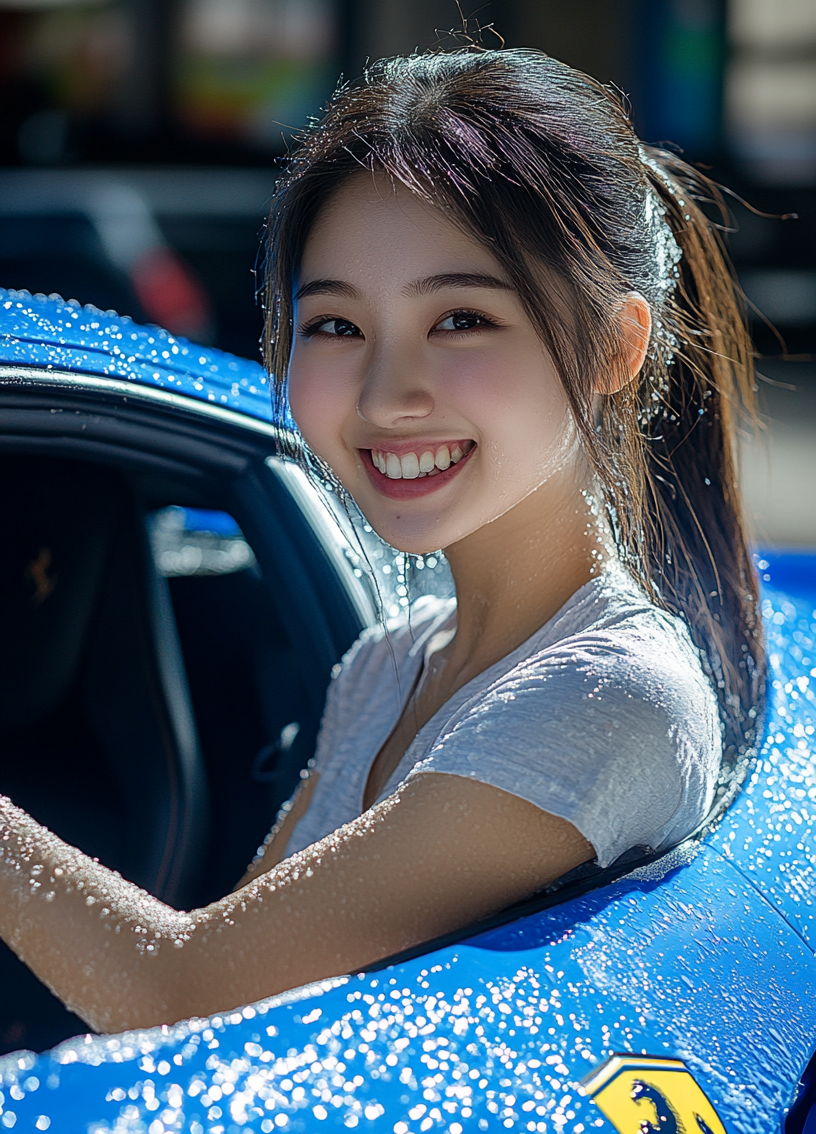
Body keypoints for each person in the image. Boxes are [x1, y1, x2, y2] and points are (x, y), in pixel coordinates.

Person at [0, 48, 763, 1035]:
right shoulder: (389, 662)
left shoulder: (610, 693)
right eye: (337, 326)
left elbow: (176, 990)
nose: (385, 396)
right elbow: (209, 986)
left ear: (615, 345)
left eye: (460, 318)